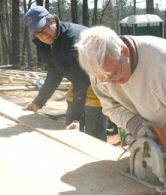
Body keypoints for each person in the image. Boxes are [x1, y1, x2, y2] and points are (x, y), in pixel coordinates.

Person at [75, 26, 166, 194]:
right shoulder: (101, 69)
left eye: (115, 74)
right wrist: (136, 125)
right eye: (104, 79)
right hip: (149, 148)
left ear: (124, 51)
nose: (112, 83)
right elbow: (111, 107)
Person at [22, 6, 107, 141]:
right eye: (38, 33)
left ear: (53, 21)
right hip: (79, 80)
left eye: (44, 29)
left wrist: (76, 118)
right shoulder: (48, 42)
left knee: (93, 131)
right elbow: (54, 73)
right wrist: (38, 102)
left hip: (98, 81)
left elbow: (82, 79)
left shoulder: (74, 39)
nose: (43, 36)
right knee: (70, 128)